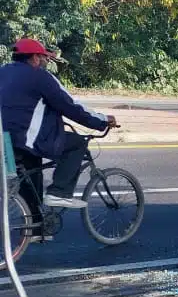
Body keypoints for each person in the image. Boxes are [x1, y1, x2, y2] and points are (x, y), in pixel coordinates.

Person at [0, 39, 118, 213]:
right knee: (77, 143)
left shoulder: (3, 72)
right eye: (44, 58)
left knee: (31, 176)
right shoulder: (40, 77)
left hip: (5, 139)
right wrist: (102, 121)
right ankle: (59, 192)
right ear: (34, 58)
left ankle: (35, 227)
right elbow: (71, 106)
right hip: (26, 137)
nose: (46, 62)